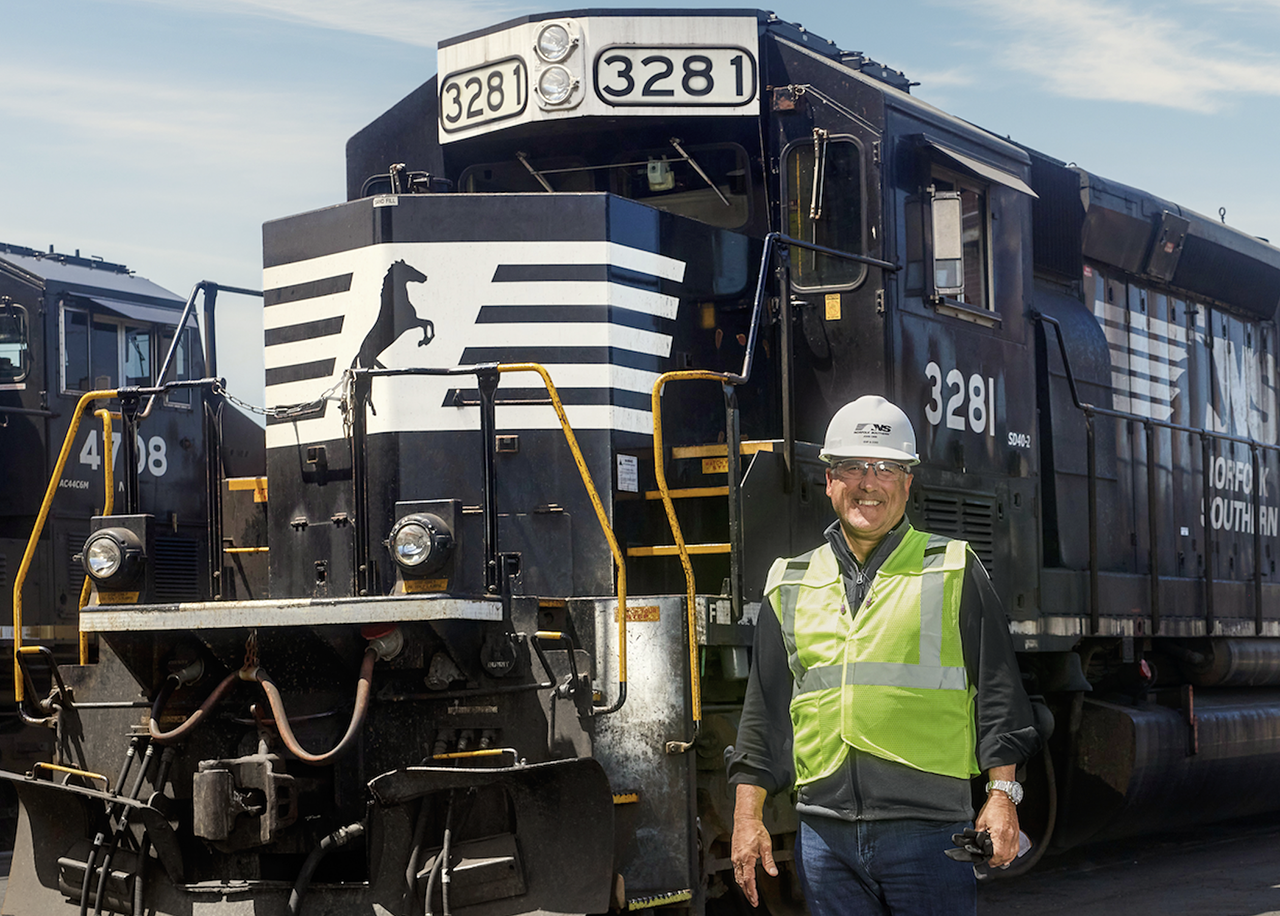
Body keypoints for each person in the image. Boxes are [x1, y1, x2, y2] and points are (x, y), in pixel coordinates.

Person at [727, 395, 1042, 916]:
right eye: (851, 467)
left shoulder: (953, 568)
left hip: (927, 834)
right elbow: (762, 713)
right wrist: (746, 816)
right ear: (828, 480)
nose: (867, 483)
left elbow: (999, 693)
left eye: (885, 468)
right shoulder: (790, 580)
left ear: (907, 482)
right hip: (825, 837)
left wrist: (1003, 795)